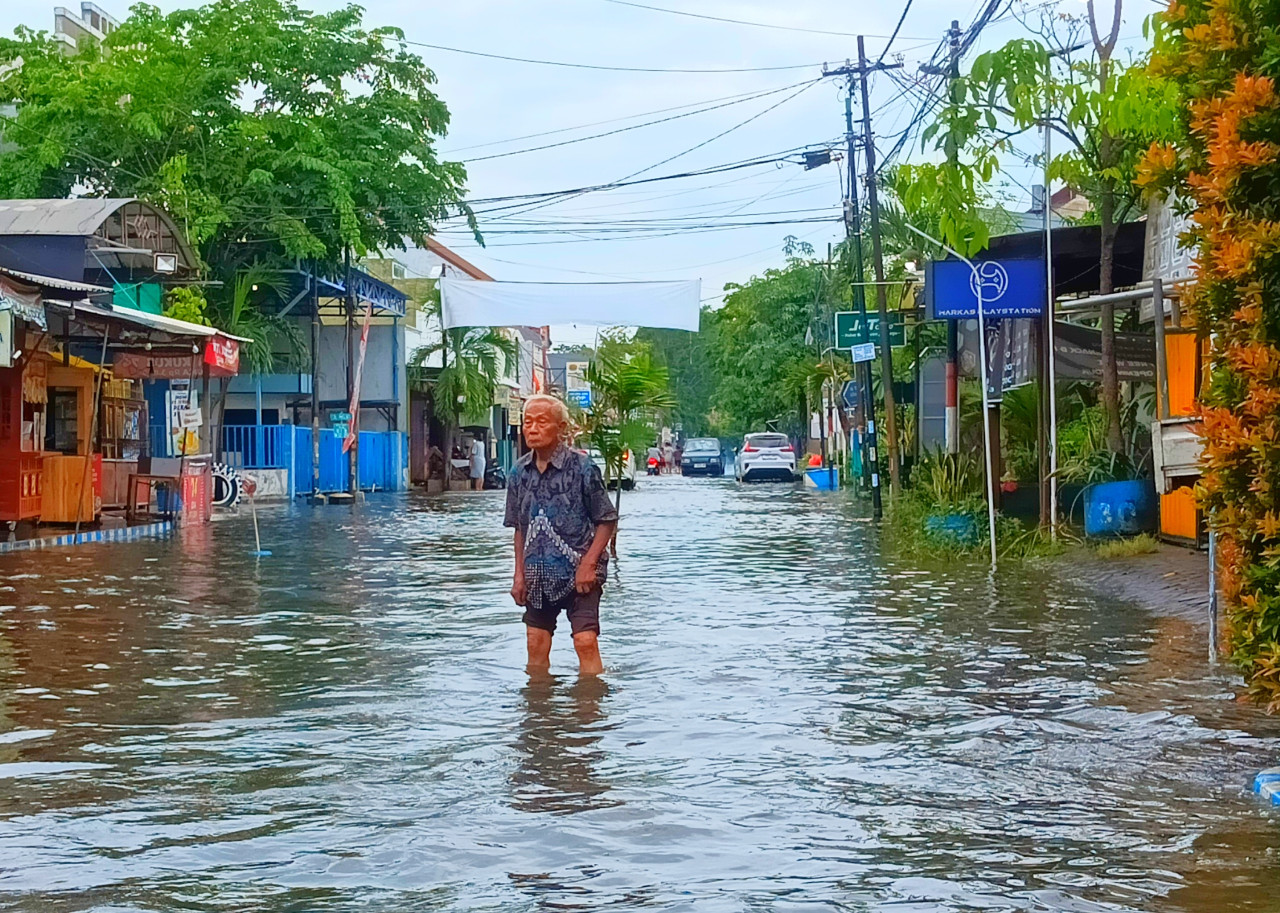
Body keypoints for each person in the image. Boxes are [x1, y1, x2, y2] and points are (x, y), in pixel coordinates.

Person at [505, 395, 618, 676]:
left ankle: (591, 699)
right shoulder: (519, 472)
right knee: (535, 642)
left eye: (542, 422)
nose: (532, 429)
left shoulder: (582, 468)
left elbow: (606, 519)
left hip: (581, 574)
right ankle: (538, 701)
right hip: (538, 574)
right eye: (528, 422)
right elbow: (519, 527)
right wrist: (519, 574)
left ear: (562, 428)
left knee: (585, 642)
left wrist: (589, 564)